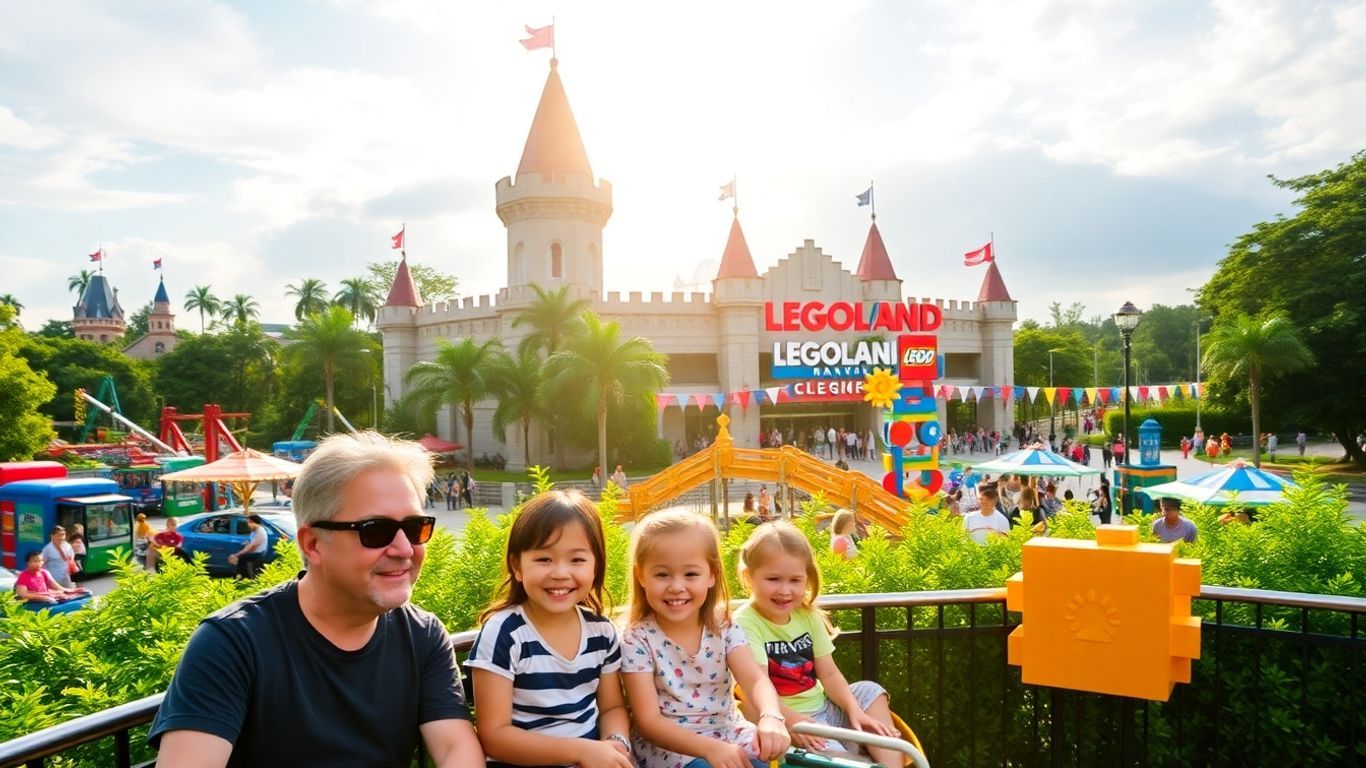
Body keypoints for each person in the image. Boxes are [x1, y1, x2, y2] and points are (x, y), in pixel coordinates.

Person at [148, 431, 483, 767]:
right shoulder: (233, 643)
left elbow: (456, 747)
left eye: (415, 527)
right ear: (312, 544)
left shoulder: (422, 635)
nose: (405, 549)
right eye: (375, 530)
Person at [466, 491, 632, 768]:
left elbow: (612, 707)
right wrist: (581, 752)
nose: (560, 573)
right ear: (517, 566)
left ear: (595, 567)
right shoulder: (504, 634)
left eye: (577, 560)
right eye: (544, 559)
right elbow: (493, 736)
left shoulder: (601, 633)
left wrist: (615, 743)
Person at [620, 510, 790, 768]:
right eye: (662, 575)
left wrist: (771, 716)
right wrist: (710, 749)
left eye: (690, 574)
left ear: (712, 574)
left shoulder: (723, 625)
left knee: (768, 758)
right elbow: (649, 721)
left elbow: (755, 679)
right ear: (641, 575)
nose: (677, 586)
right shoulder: (637, 639)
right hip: (672, 747)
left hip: (727, 730)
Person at [734, 522, 900, 767]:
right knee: (841, 759)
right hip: (781, 717)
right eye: (773, 579)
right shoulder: (745, 623)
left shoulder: (807, 615)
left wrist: (854, 710)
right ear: (750, 577)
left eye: (795, 580)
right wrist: (791, 721)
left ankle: (891, 763)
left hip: (822, 709)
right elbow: (755, 690)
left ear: (807, 579)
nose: (785, 590)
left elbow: (829, 673)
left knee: (869, 690)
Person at [14, 551, 89, 606]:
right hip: (34, 603)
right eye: (36, 561)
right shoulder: (23, 575)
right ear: (28, 563)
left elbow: (57, 587)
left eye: (41, 560)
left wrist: (73, 591)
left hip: (48, 599)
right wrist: (43, 597)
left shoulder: (44, 572)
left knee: (84, 594)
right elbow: (22, 594)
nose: (39, 563)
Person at [227, 514, 270, 580]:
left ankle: (243, 577)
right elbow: (250, 541)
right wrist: (247, 543)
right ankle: (240, 576)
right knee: (241, 557)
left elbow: (251, 547)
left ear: (255, 522)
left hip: (258, 553)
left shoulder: (260, 532)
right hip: (254, 551)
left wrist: (236, 555)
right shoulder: (254, 531)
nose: (248, 525)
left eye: (250, 522)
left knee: (241, 558)